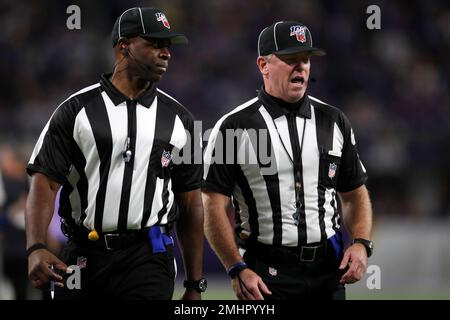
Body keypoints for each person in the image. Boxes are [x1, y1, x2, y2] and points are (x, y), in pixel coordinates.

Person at [25, 7, 205, 300]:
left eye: (168, 46)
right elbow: (44, 182)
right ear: (124, 45)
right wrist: (35, 247)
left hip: (149, 256)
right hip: (85, 254)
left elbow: (191, 204)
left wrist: (195, 284)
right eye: (155, 44)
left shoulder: (181, 119)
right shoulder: (76, 110)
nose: (166, 53)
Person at [203, 21, 373, 300]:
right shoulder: (234, 126)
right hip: (265, 274)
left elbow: (354, 194)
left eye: (305, 59)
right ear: (263, 65)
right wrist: (236, 267)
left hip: (328, 271)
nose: (301, 67)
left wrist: (361, 243)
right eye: (290, 59)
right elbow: (213, 205)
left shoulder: (333, 121)